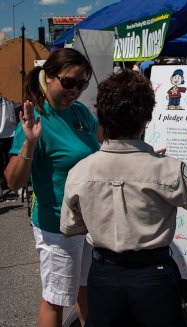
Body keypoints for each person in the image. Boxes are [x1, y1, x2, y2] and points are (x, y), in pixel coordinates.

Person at [59, 69, 187, 326]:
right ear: (146, 118)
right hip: (153, 275)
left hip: (104, 274)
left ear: (102, 116)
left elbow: (70, 227)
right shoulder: (167, 169)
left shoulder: (80, 171)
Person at [4, 48, 99, 327]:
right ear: (49, 77)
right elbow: (13, 182)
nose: (76, 91)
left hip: (89, 223)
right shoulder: (36, 118)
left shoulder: (80, 112)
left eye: (82, 84)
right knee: (56, 298)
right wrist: (29, 143)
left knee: (86, 288)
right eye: (69, 82)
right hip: (57, 227)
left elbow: (99, 148)